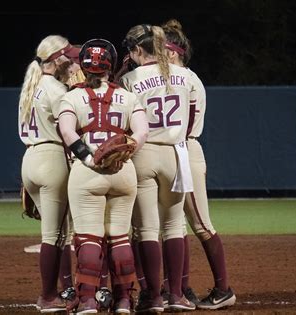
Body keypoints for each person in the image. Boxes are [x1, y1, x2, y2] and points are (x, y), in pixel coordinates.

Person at [57, 38, 149, 314]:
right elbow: (142, 132)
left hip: (87, 172)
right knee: (120, 237)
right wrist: (123, 153)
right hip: (122, 172)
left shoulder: (71, 96)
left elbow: (67, 132)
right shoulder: (129, 96)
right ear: (110, 65)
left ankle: (86, 300)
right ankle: (123, 301)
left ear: (83, 66)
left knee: (89, 237)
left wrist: (88, 157)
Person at [160, 19, 236, 310]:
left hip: (184, 149)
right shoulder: (177, 77)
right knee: (176, 226)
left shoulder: (185, 78)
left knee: (201, 224)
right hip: (173, 151)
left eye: (158, 50)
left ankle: (223, 289)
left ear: (171, 52)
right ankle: (182, 289)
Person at [120, 24, 196, 313]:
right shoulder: (185, 75)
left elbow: (124, 120)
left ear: (138, 50)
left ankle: (153, 297)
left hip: (144, 153)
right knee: (174, 225)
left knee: (146, 229)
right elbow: (189, 121)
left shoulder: (130, 78)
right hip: (176, 153)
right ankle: (176, 295)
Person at [18, 34, 81, 313]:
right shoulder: (56, 89)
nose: (72, 60)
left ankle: (62, 289)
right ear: (57, 59)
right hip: (52, 157)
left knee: (58, 234)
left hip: (30, 159)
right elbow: (72, 128)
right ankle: (47, 296)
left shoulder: (31, 85)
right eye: (67, 55)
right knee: (54, 235)